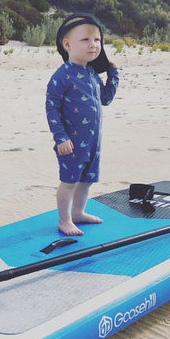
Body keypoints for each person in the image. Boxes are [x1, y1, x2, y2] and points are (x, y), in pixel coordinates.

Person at [45, 13, 119, 236]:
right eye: (85, 40)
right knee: (69, 182)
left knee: (86, 181)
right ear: (67, 44)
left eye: (97, 40)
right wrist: (61, 138)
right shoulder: (62, 76)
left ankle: (79, 213)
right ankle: (65, 220)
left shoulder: (91, 74)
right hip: (71, 142)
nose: (93, 45)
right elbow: (52, 109)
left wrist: (113, 74)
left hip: (93, 141)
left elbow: (105, 98)